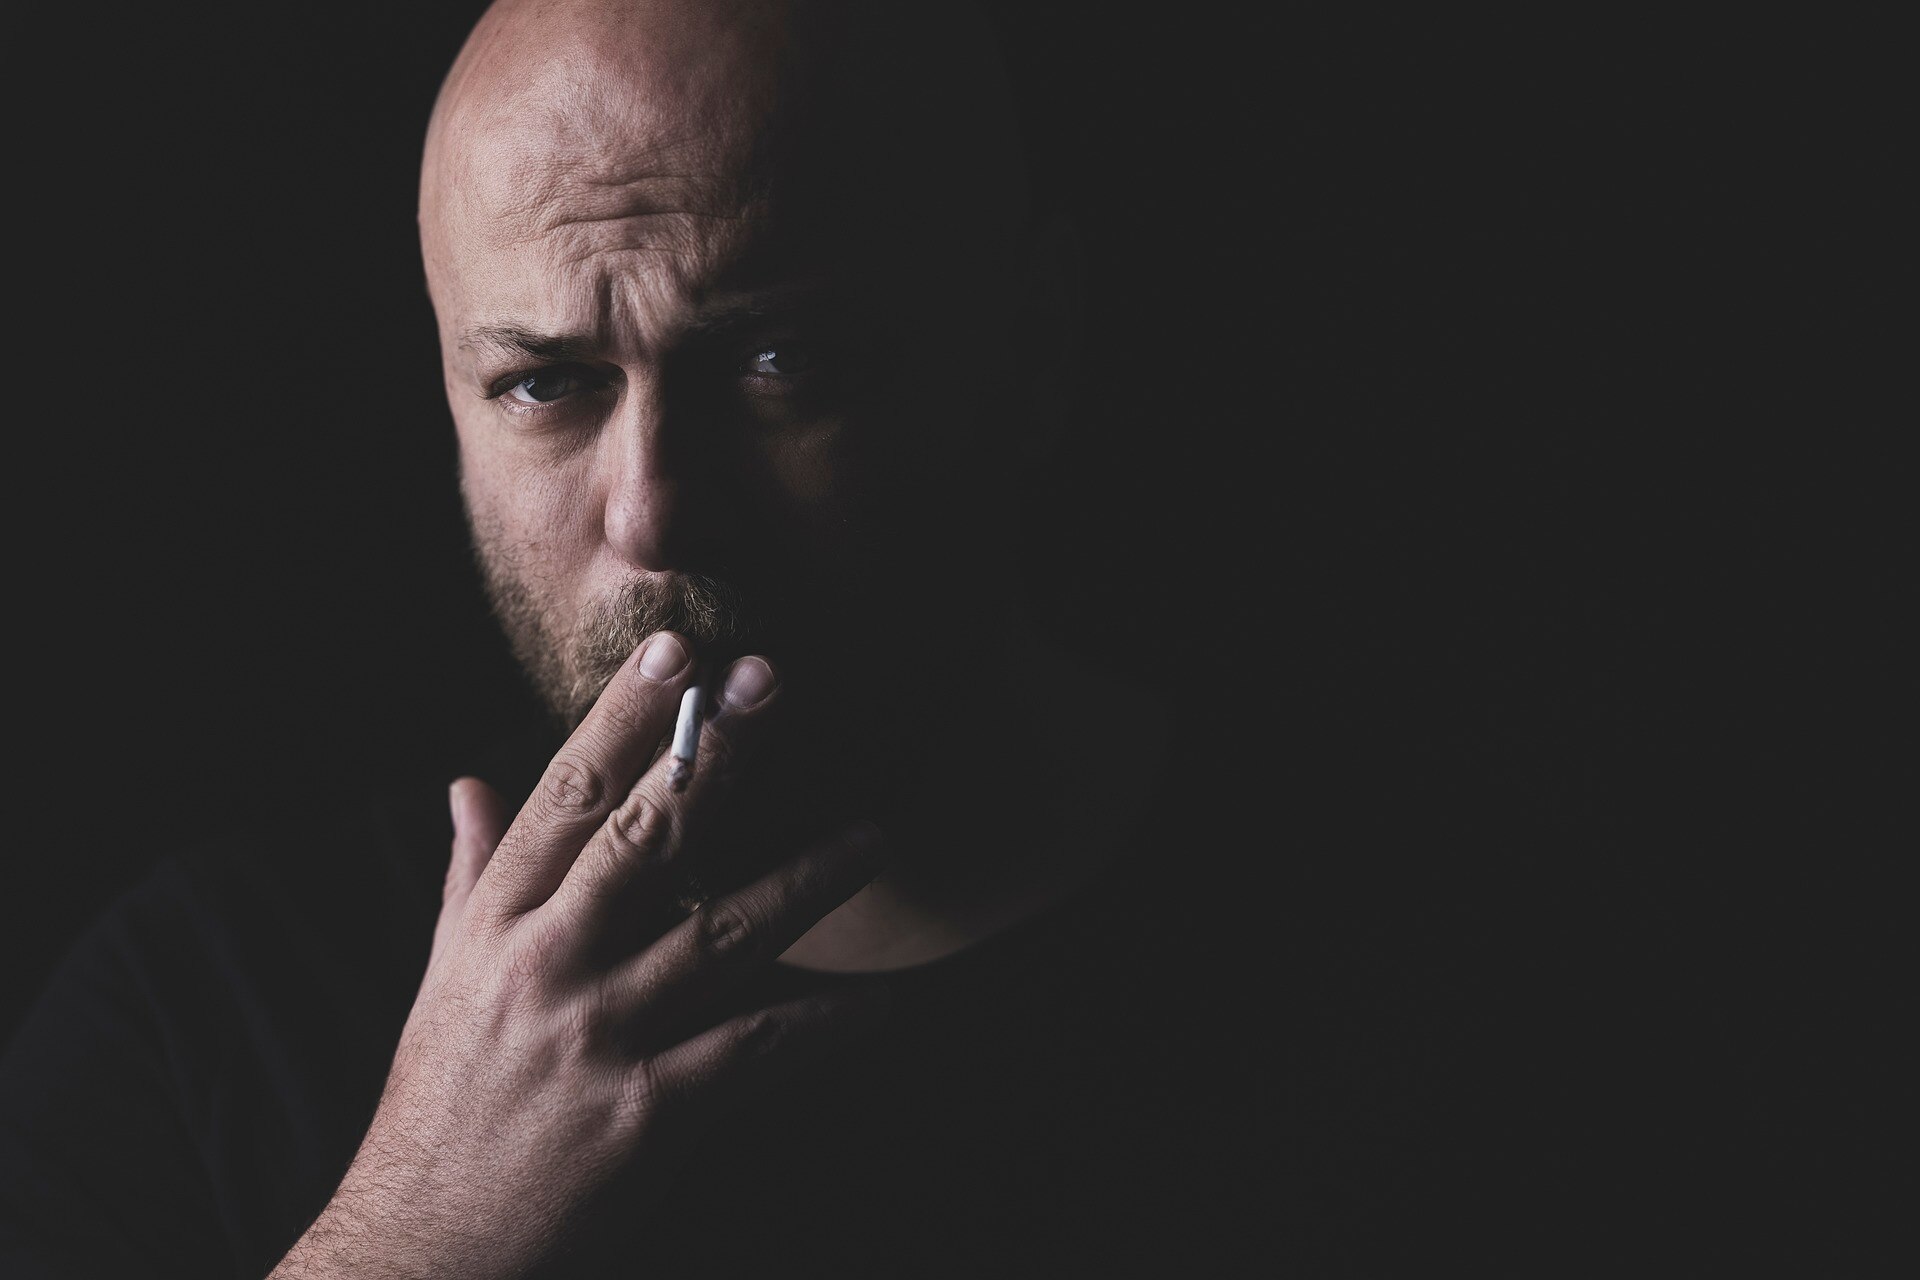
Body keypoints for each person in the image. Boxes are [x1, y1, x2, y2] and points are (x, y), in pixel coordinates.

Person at [2, 2, 1265, 1275]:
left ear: (1036, 348)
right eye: (545, 384)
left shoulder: (1348, 948)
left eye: (779, 358)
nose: (652, 512)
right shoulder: (200, 1009)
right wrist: (421, 1226)